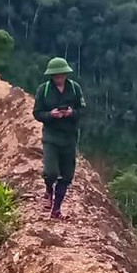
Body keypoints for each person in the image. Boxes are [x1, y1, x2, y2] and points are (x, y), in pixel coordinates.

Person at [33, 56, 86, 220]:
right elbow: (37, 113)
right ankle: (49, 189)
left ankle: (56, 210)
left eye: (62, 74)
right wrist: (51, 114)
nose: (59, 78)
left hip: (69, 137)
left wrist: (72, 113)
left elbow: (83, 110)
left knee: (67, 176)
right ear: (51, 76)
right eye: (56, 75)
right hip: (51, 137)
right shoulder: (44, 90)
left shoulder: (75, 89)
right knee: (51, 172)